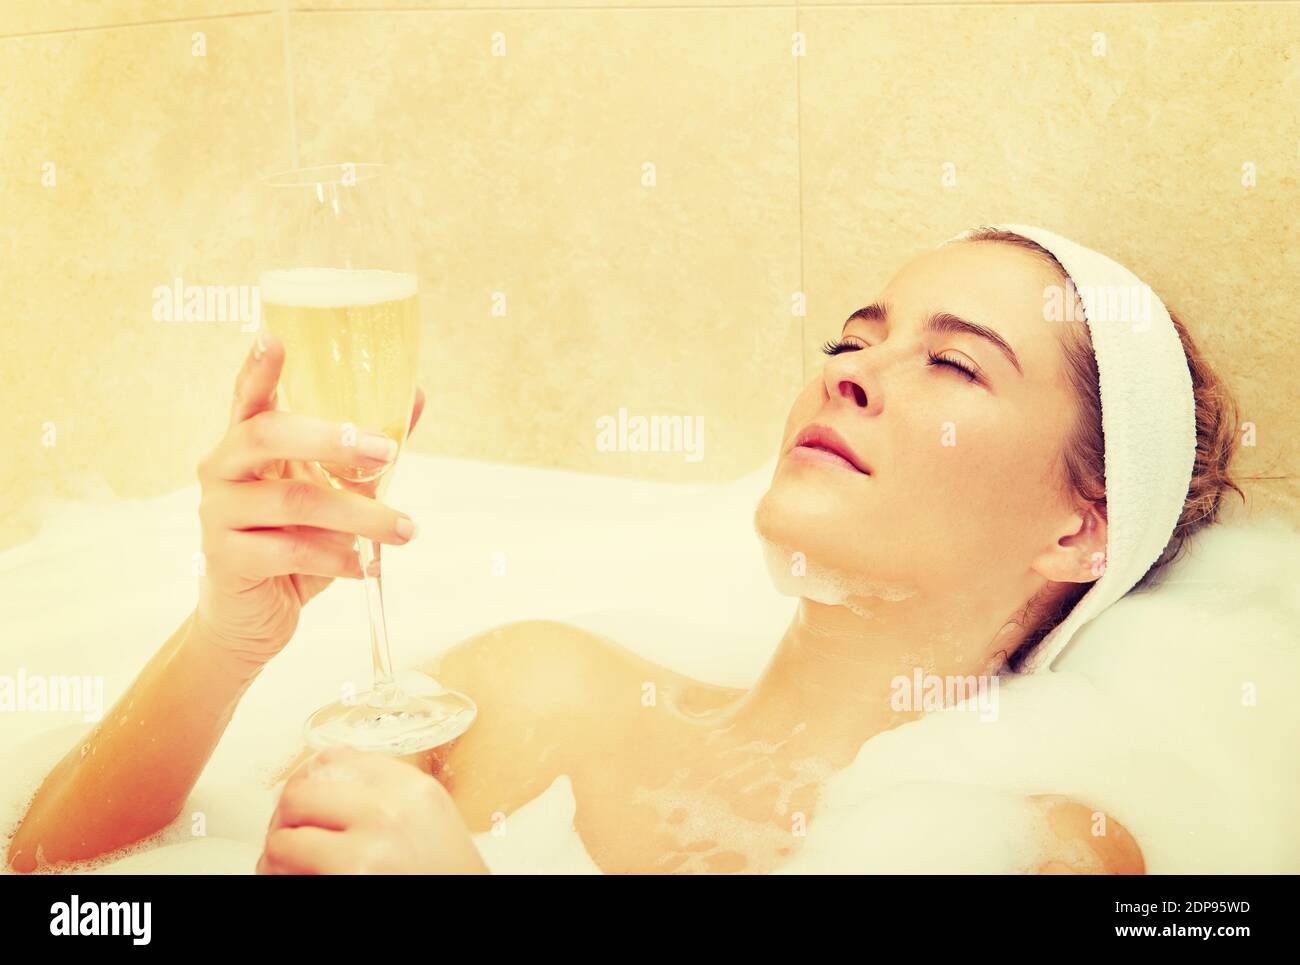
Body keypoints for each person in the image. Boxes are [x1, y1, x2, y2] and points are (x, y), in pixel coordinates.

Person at [6, 227, 1242, 875]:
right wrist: (230, 636)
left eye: (954, 361)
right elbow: (66, 877)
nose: (854, 371)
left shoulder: (1036, 840)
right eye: (857, 337)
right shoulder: (531, 686)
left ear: (1076, 526)